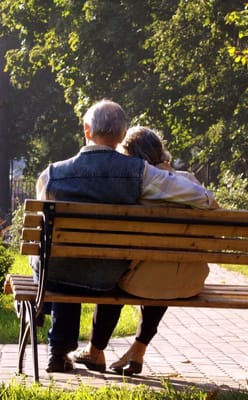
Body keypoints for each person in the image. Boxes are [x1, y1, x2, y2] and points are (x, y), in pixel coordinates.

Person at [33, 100, 218, 373]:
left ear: (87, 129)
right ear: (122, 134)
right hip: (107, 277)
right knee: (75, 259)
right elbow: (202, 198)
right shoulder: (140, 173)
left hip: (59, 276)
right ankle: (67, 348)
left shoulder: (52, 174)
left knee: (61, 255)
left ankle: (58, 350)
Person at [70, 126, 211, 376]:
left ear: (128, 154)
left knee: (117, 274)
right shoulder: (188, 181)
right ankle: (138, 350)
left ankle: (95, 351)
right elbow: (213, 205)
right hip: (189, 282)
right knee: (164, 265)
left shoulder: (137, 186)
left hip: (139, 281)